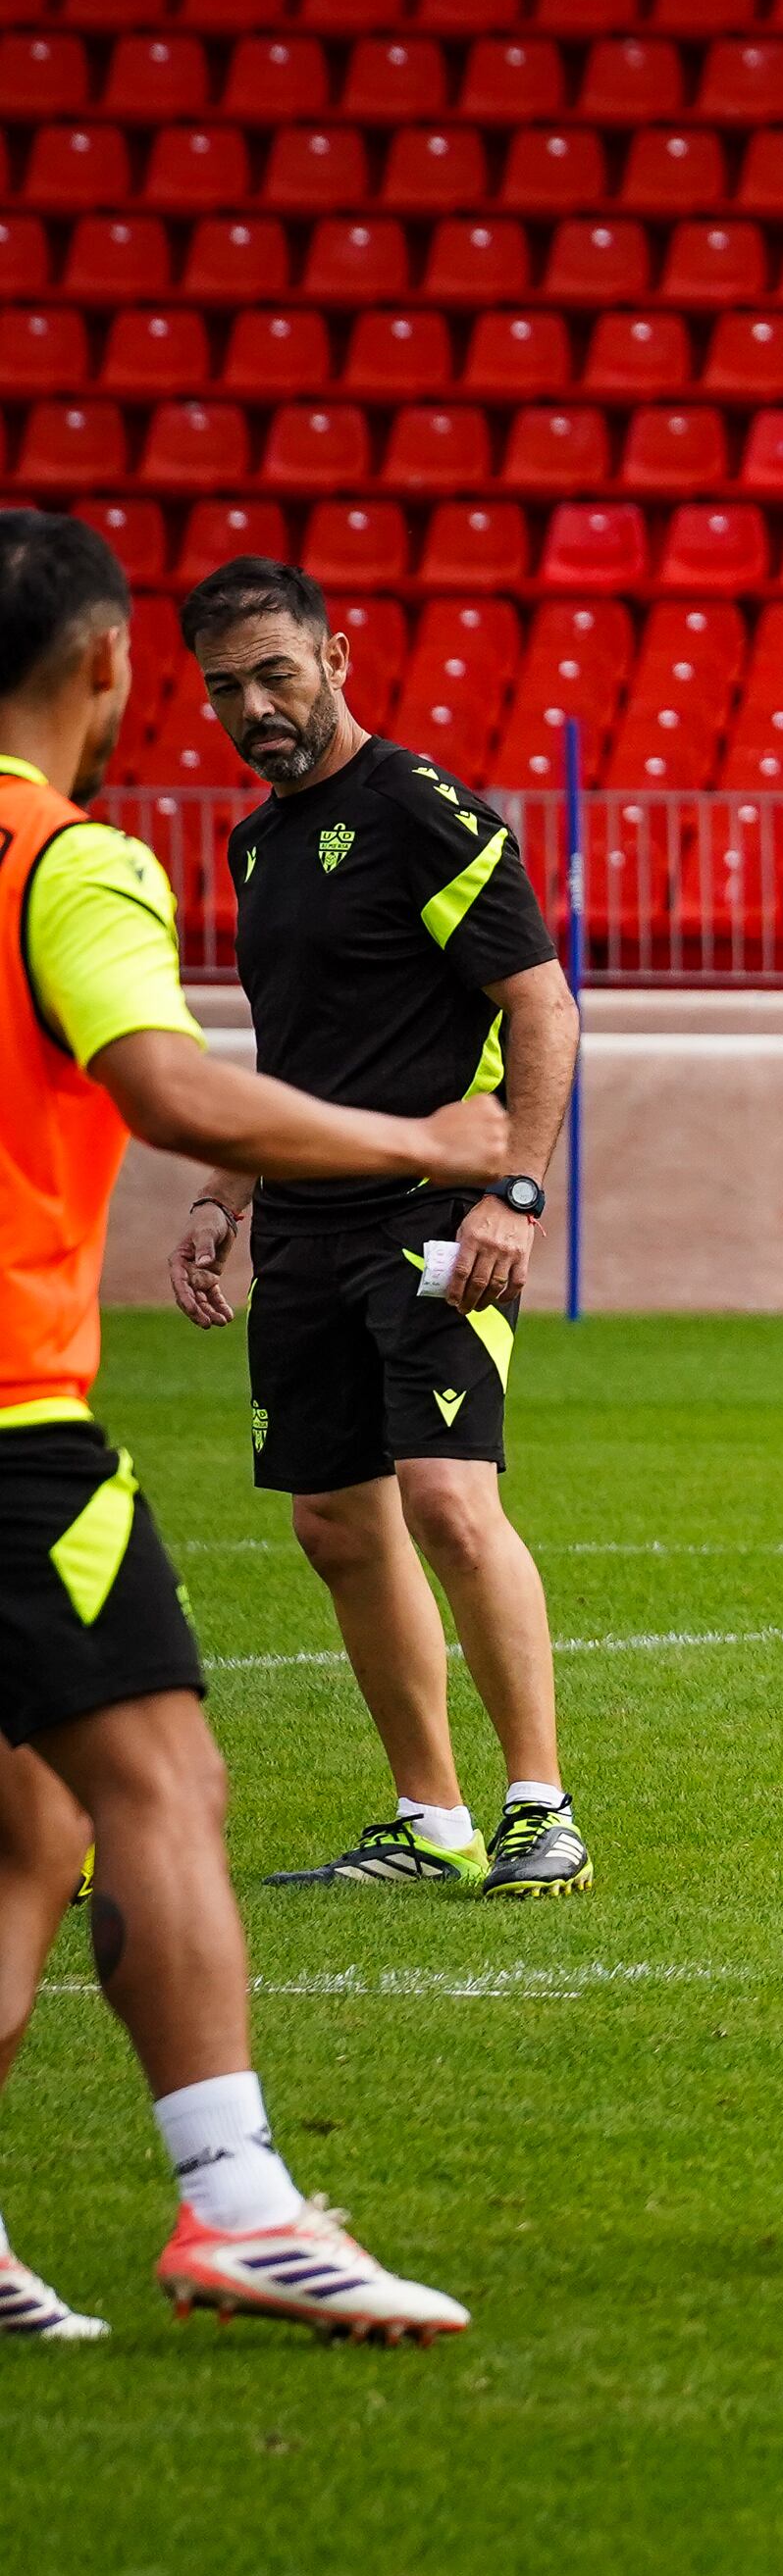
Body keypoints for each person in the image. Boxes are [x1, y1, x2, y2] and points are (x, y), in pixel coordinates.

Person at [0, 514, 500, 2344]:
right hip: (16, 1427)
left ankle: (510, 1800)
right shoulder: (70, 861)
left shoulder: (416, 813)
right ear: (110, 668)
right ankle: (241, 2203)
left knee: (28, 1830)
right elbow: (167, 1078)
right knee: (162, 1792)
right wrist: (432, 1143)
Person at [167, 557, 587, 1897]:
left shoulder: (420, 810)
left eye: (275, 674)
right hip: (302, 1224)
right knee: (334, 1524)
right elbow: (294, 1047)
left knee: (451, 1499)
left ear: (336, 655)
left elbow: (541, 1006)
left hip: (431, 1217)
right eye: (227, 688)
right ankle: (430, 1818)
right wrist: (225, 1190)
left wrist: (512, 1191)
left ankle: (541, 1810)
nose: (254, 708)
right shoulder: (257, 842)